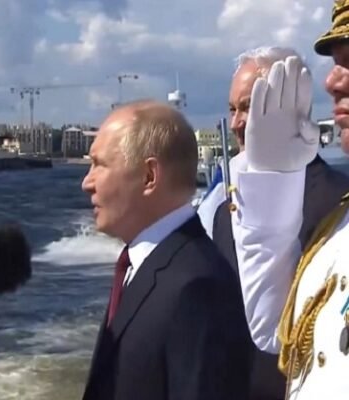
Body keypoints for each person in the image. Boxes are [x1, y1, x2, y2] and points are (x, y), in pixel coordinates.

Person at [80, 99, 252, 400]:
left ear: (149, 176)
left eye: (100, 165)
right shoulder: (142, 266)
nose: (87, 183)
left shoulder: (198, 286)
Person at [207, 47, 349, 400]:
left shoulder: (332, 202)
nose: (237, 123)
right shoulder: (224, 208)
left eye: (249, 107)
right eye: (232, 110)